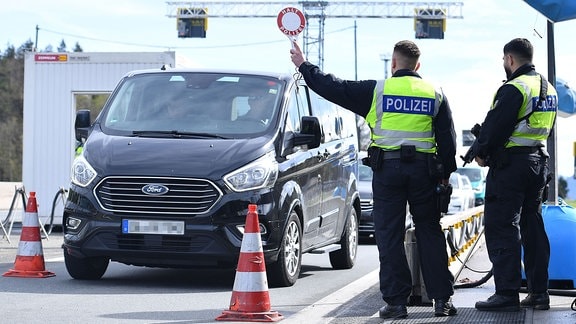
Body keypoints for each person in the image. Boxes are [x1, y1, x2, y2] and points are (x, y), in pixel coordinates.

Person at [290, 39, 458, 319]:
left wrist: (304, 66)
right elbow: (448, 141)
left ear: (393, 64)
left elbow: (333, 87)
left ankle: (396, 303)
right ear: (418, 66)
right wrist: (445, 176)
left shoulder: (377, 90)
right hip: (424, 172)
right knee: (429, 232)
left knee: (389, 236)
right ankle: (441, 301)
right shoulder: (435, 93)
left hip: (388, 171)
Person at [473, 38, 557, 312]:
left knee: (502, 226)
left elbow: (496, 128)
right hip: (537, 163)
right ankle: (539, 293)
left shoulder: (513, 88)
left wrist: (482, 152)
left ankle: (506, 294)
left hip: (511, 167)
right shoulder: (548, 88)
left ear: (510, 59)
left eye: (503, 60)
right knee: (532, 226)